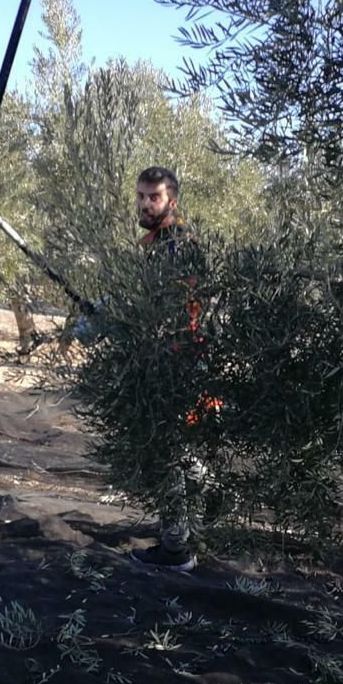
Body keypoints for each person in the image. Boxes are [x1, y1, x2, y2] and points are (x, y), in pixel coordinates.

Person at [129, 165, 216, 572]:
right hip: (178, 361)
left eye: (155, 197)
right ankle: (212, 500)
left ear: (172, 201)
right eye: (142, 196)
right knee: (182, 450)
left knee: (167, 452)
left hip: (179, 364)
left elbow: (173, 311)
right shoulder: (157, 244)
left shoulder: (176, 248)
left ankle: (176, 549)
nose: (146, 204)